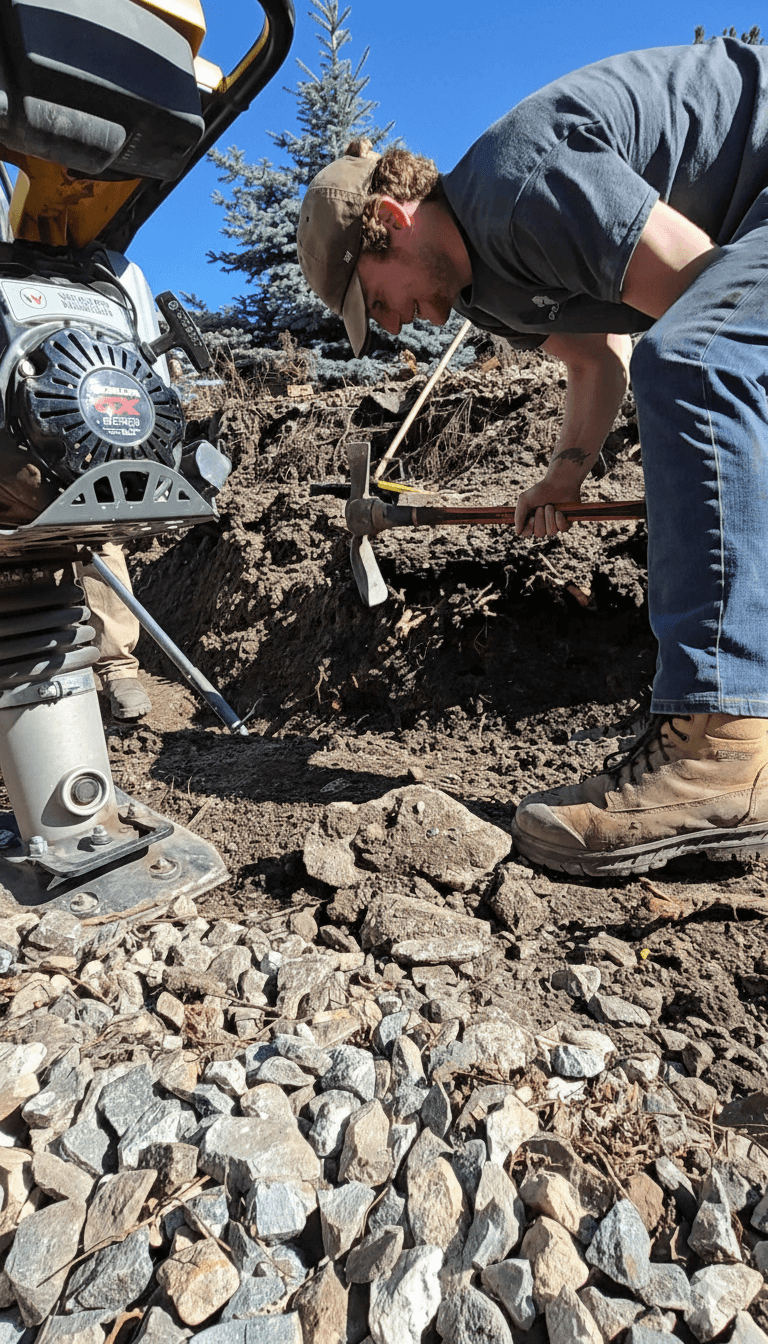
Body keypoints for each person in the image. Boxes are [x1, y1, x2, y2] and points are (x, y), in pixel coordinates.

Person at [296, 37, 768, 877]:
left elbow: (699, 299)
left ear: (393, 224)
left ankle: (721, 740)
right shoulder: (485, 295)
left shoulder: (518, 186)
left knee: (696, 360)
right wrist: (566, 472)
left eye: (378, 301)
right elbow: (599, 358)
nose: (395, 327)